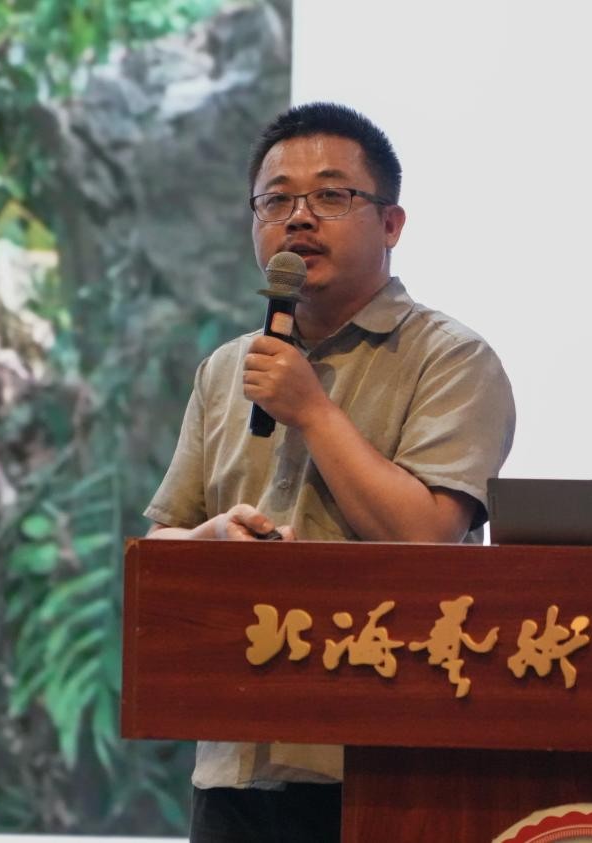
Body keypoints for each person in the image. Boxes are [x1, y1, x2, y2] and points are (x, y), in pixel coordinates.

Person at [143, 102, 517, 843]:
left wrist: (312, 410)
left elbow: (427, 539)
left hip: (388, 767)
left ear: (391, 224)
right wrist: (212, 542)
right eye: (276, 200)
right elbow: (158, 556)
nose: (299, 218)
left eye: (331, 195)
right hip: (236, 768)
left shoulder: (451, 359)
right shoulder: (224, 370)